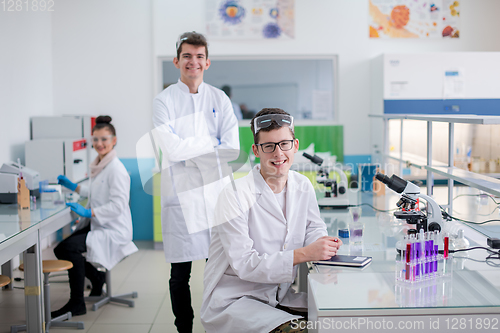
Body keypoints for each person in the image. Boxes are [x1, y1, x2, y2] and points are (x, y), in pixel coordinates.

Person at [201, 108, 342, 333]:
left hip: (279, 295)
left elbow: (313, 227)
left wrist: (323, 244)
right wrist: (306, 253)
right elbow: (245, 265)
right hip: (237, 300)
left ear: (295, 145)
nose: (278, 154)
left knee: (339, 318)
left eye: (284, 144)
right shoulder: (235, 195)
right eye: (269, 146)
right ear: (256, 150)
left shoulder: (302, 185)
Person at [152, 31, 239, 333]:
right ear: (177, 60)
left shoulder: (220, 98)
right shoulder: (163, 102)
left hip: (215, 196)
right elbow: (172, 149)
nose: (193, 61)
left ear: (207, 62)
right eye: (187, 56)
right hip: (180, 198)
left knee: (223, 269)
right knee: (180, 274)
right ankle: (184, 329)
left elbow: (231, 148)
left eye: (199, 56)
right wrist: (209, 142)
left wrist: (194, 145)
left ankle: (219, 323)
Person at [51, 116, 138, 318]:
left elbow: (118, 205)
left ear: (114, 140)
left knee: (69, 248)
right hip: (99, 223)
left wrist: (88, 212)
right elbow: (95, 191)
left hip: (113, 228)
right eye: (96, 139)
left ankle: (77, 303)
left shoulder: (116, 170)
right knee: (62, 248)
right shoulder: (101, 164)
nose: (99, 144)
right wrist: (74, 187)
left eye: (104, 139)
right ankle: (97, 279)